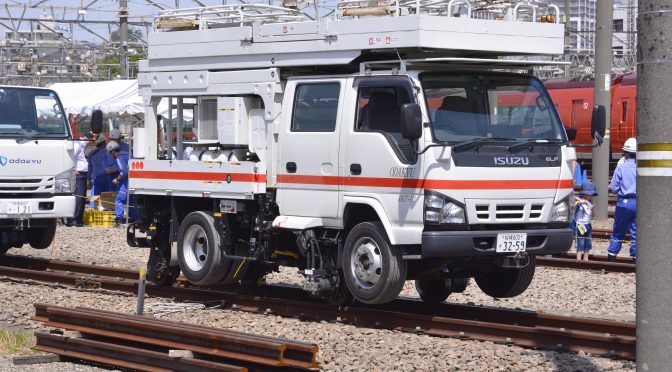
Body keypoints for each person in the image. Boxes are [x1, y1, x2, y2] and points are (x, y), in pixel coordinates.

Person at [608, 137, 637, 263]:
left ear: (625, 152)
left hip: (623, 203)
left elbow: (614, 188)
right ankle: (635, 257)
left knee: (618, 230)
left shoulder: (621, 166)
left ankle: (612, 255)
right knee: (636, 231)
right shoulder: (641, 167)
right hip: (638, 202)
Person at [66, 133, 91, 227]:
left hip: (81, 173)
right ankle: (73, 219)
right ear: (87, 139)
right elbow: (71, 156)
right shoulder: (78, 144)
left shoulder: (80, 144)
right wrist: (73, 169)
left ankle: (78, 219)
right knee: (78, 197)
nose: (89, 144)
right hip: (78, 174)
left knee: (82, 197)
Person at [107, 141, 130, 225]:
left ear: (112, 151)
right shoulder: (127, 154)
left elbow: (124, 171)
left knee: (119, 199)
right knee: (132, 200)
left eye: (110, 153)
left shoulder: (119, 157)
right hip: (135, 180)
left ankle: (119, 219)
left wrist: (117, 179)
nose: (110, 155)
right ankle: (133, 219)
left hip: (127, 181)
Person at [574, 182, 597, 261]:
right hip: (580, 224)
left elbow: (593, 215)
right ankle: (578, 259)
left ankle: (586, 258)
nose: (589, 196)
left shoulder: (589, 203)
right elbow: (572, 207)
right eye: (588, 194)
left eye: (591, 195)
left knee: (588, 242)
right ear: (583, 194)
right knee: (580, 242)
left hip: (588, 224)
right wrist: (579, 202)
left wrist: (592, 208)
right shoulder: (579, 202)